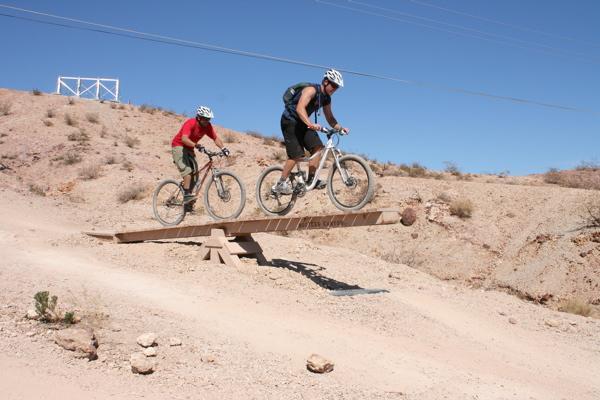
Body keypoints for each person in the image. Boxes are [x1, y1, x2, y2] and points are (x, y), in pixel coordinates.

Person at [272, 69, 349, 195]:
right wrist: (310, 124)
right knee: (296, 155)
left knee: (318, 147)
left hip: (304, 123)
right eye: (333, 85)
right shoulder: (311, 90)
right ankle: (280, 183)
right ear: (325, 82)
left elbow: (330, 118)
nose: (335, 89)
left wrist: (340, 128)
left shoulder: (326, 99)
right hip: (290, 121)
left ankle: (311, 180)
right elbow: (300, 108)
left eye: (337, 87)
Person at [171, 105, 229, 211]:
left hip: (190, 149)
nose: (207, 121)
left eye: (209, 119)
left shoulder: (208, 127)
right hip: (179, 146)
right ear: (199, 117)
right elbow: (184, 139)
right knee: (187, 171)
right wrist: (197, 145)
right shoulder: (191, 123)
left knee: (195, 176)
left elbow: (215, 138)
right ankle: (187, 195)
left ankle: (187, 201)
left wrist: (223, 148)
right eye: (205, 119)